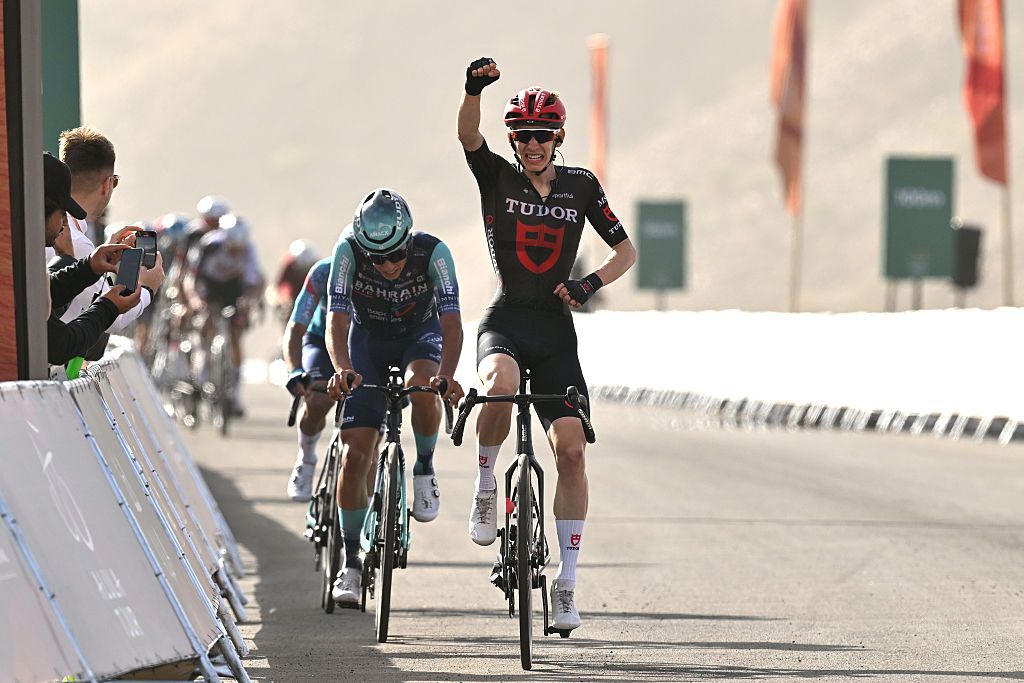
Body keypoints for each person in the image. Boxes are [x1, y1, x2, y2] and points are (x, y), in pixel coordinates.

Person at [457, 57, 637, 633]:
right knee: (499, 387)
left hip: (556, 331)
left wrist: (588, 284)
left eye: (542, 136)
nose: (532, 145)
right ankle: (487, 485)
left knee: (572, 451)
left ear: (558, 138)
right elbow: (467, 135)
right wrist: (472, 91)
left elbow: (625, 252)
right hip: (507, 317)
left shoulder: (582, 185)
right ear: (513, 139)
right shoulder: (498, 177)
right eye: (523, 136)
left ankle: (566, 583)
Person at [324, 188, 464, 606]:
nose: (386, 266)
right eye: (376, 258)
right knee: (355, 457)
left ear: (408, 243)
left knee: (423, 389)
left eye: (395, 257)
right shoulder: (346, 252)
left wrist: (447, 376)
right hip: (367, 340)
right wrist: (341, 370)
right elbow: (337, 319)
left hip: (418, 337)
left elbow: (452, 323)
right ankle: (350, 564)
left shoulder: (434, 253)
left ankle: (423, 467)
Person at [53, 126, 164, 338]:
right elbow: (112, 317)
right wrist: (148, 288)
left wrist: (103, 255)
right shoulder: (76, 242)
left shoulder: (58, 229)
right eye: (115, 181)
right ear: (107, 184)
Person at [43, 153, 142, 364]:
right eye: (62, 213)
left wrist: (89, 267)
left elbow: (43, 293)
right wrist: (109, 306)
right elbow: (60, 344)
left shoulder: (22, 261)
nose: (65, 222)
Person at [181, 213, 264, 416]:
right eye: (233, 248)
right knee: (205, 326)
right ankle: (201, 371)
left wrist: (250, 302)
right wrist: (194, 301)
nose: (236, 252)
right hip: (209, 288)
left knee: (236, 336)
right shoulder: (209, 245)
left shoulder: (249, 250)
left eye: (239, 249)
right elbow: (190, 279)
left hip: (233, 291)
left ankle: (234, 395)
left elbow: (256, 281)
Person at [281, 254, 335, 501]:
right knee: (317, 401)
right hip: (321, 341)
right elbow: (295, 328)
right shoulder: (324, 271)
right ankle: (306, 456)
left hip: (364, 346)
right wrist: (294, 370)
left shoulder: (385, 270)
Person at [271, 239, 319, 331]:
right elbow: (278, 286)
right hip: (294, 296)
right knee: (287, 312)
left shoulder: (319, 266)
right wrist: (283, 300)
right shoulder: (289, 265)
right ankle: (286, 335)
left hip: (314, 295)